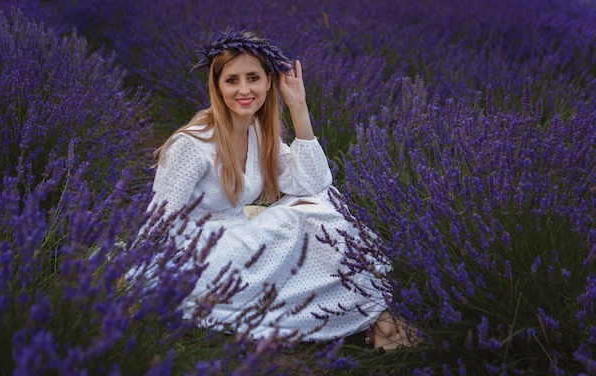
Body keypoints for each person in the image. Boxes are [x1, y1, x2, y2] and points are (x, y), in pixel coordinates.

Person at [141, 30, 413, 350]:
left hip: (238, 240)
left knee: (328, 202)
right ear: (216, 86)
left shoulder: (257, 132)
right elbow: (157, 225)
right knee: (292, 221)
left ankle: (374, 314)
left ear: (269, 82)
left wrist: (298, 106)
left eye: (253, 77)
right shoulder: (192, 144)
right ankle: (378, 320)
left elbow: (314, 184)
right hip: (197, 259)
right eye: (232, 80)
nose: (244, 90)